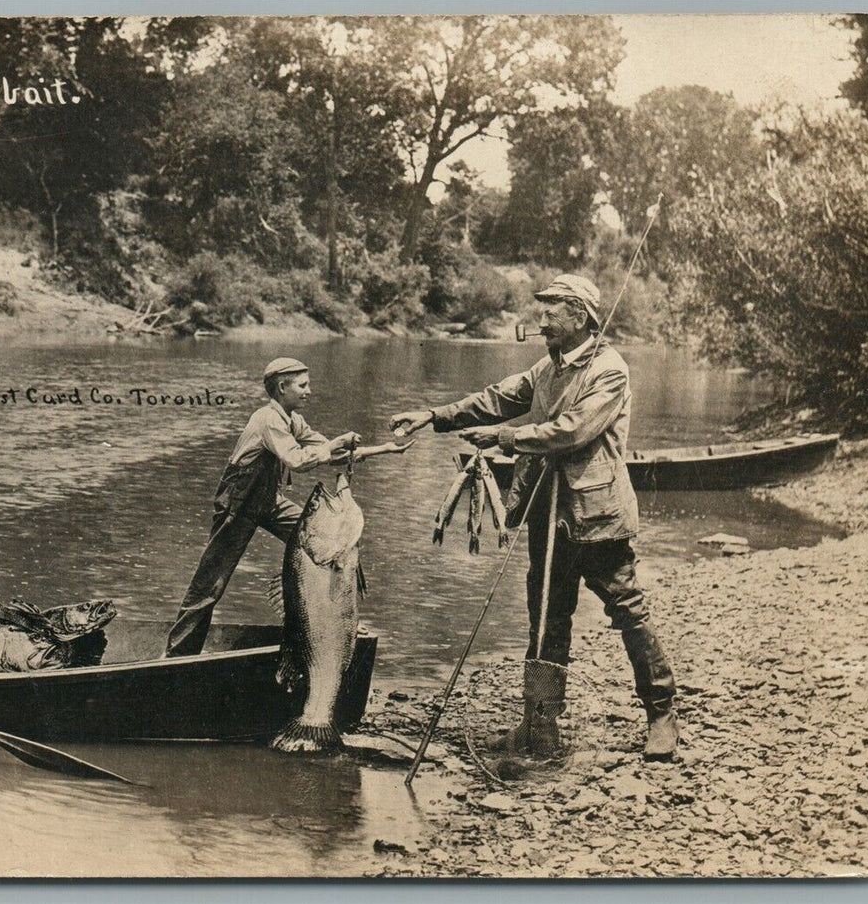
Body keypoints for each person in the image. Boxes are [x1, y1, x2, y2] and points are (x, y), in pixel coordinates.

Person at [391, 274, 679, 761]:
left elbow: (570, 433)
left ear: (581, 317)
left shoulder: (610, 370)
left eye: (552, 310)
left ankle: (662, 715)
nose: (542, 319)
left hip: (597, 515)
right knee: (545, 617)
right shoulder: (548, 368)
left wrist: (504, 438)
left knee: (628, 611)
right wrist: (434, 416)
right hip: (548, 512)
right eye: (542, 309)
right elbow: (497, 399)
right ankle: (540, 725)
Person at [164, 358, 362, 658]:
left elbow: (326, 449)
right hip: (239, 502)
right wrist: (332, 447)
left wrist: (373, 449)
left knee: (330, 541)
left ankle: (331, 624)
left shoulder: (292, 418)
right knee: (211, 582)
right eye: (303, 385)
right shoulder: (268, 418)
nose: (309, 391)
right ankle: (178, 655)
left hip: (268, 499)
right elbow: (297, 460)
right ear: (282, 387)